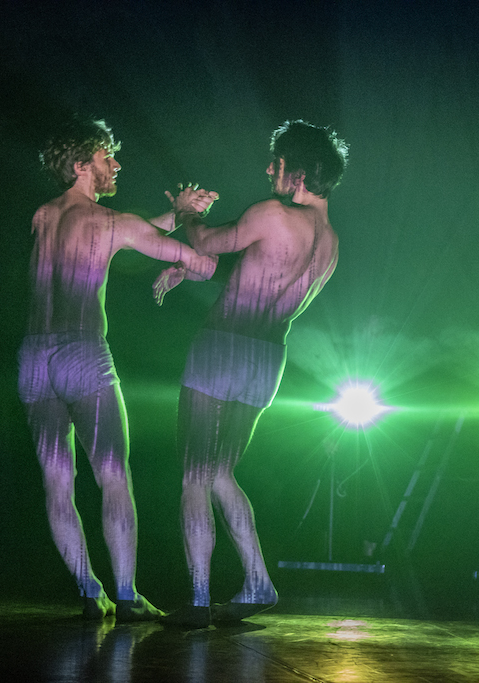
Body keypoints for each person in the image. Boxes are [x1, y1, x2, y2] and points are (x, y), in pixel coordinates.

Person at [17, 116, 217, 620]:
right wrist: (185, 261)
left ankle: (91, 591)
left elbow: (125, 232)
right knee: (112, 476)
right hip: (82, 354)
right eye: (107, 156)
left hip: (34, 360)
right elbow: (197, 260)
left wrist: (173, 214)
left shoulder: (42, 215)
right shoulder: (110, 222)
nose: (117, 163)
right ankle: (126, 596)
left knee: (57, 482)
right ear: (81, 165)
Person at [154, 120, 349, 627]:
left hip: (223, 344)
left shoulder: (272, 213)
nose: (268, 170)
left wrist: (187, 213)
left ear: (297, 172)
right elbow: (258, 274)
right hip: (267, 358)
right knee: (221, 473)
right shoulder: (330, 244)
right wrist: (190, 267)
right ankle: (259, 583)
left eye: (276, 163)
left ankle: (199, 600)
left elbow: (208, 240)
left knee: (195, 475)